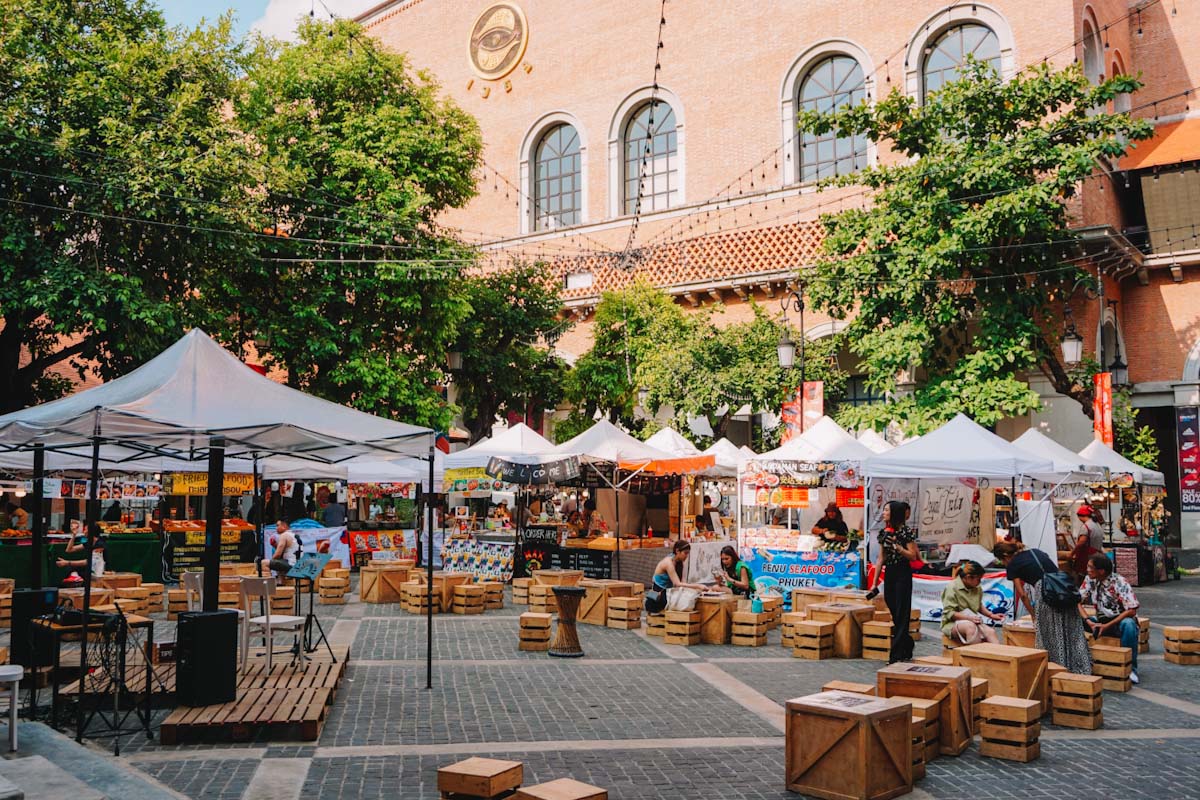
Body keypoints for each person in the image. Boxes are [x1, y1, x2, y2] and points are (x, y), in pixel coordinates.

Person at [993, 540, 1092, 675]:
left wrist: (1033, 615)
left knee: (1050, 633)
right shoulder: (1036, 552)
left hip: (1047, 593)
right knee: (1072, 629)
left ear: (1004, 557)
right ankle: (1082, 668)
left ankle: (1058, 670)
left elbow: (1022, 595)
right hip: (1064, 589)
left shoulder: (1013, 565)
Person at [866, 500, 919, 663]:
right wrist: (874, 584)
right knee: (894, 609)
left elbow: (913, 556)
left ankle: (895, 655)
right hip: (890, 572)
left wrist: (898, 547)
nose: (883, 513)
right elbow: (881, 558)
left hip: (903, 572)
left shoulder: (906, 532)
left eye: (887, 510)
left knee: (902, 612)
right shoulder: (883, 533)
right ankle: (907, 643)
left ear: (894, 513)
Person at [1079, 553, 1141, 683]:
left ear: (1101, 571)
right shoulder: (1090, 580)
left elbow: (1132, 610)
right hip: (1099, 623)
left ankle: (1131, 669)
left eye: (1091, 567)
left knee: (1129, 624)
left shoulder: (1120, 582)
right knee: (1074, 619)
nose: (1088, 570)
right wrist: (1088, 621)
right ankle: (1082, 662)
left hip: (1118, 623)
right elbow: (1076, 601)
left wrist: (1107, 626)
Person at [941, 560, 1003, 645]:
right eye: (978, 579)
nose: (980, 582)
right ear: (968, 577)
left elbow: (978, 605)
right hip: (951, 623)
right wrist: (968, 618)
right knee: (971, 628)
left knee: (990, 632)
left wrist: (991, 615)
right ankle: (975, 656)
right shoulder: (952, 587)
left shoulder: (977, 588)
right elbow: (950, 613)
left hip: (972, 620)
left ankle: (998, 656)